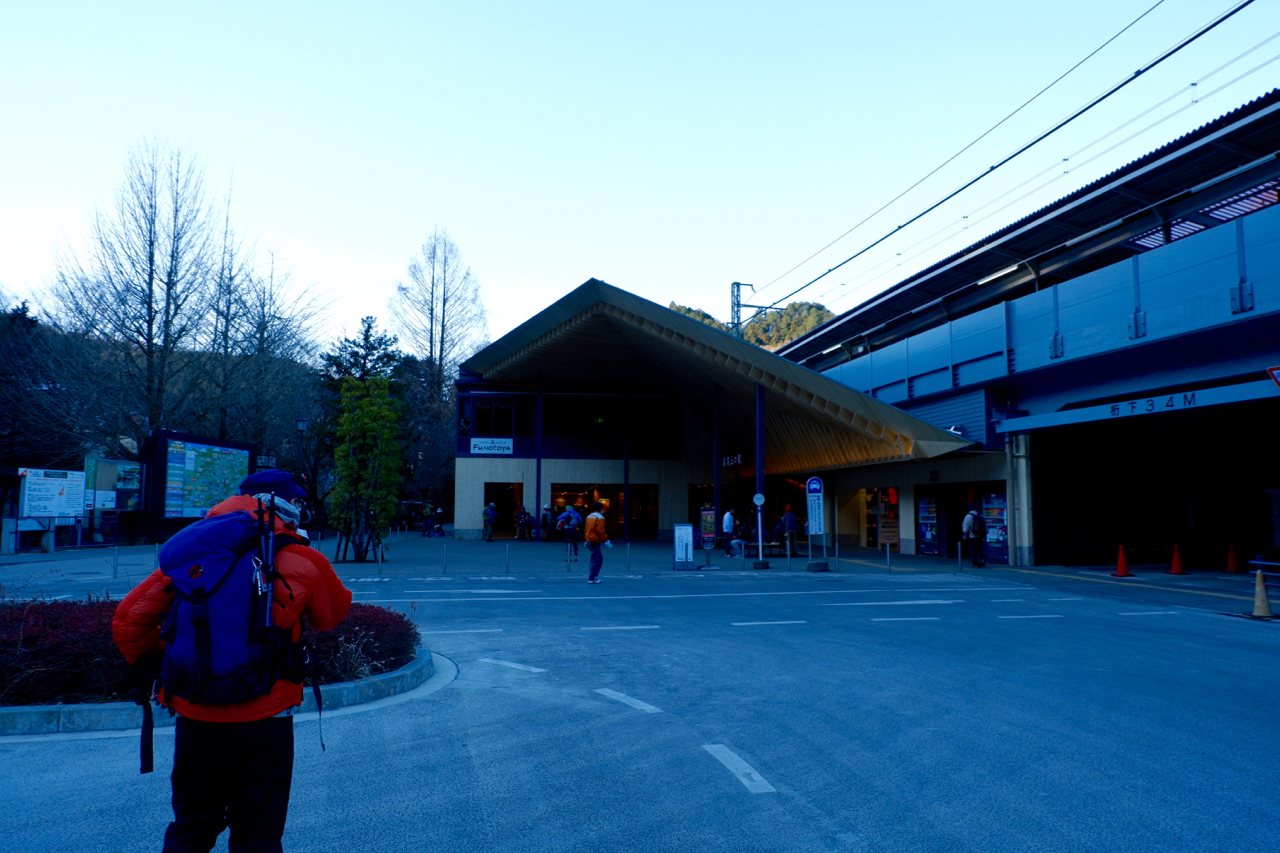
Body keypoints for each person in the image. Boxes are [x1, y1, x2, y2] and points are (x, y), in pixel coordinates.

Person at [112, 469, 352, 853]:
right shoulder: (300, 559)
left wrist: (175, 666)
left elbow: (128, 622)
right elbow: (330, 617)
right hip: (265, 719)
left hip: (195, 714)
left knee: (191, 826)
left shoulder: (193, 556)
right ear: (287, 504)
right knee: (258, 831)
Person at [583, 501, 612, 583]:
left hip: (589, 539)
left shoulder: (589, 516)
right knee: (596, 560)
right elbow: (601, 531)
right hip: (595, 540)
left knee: (596, 559)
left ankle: (593, 577)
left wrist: (586, 539)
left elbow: (586, 529)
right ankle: (592, 577)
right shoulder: (600, 518)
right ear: (600, 509)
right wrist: (606, 540)